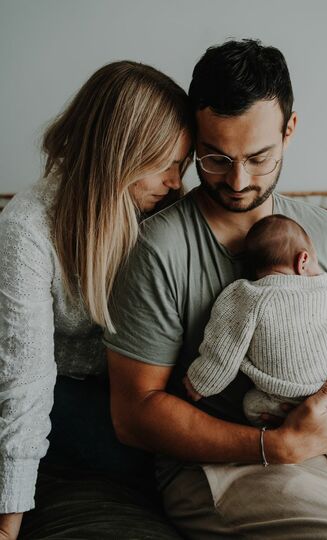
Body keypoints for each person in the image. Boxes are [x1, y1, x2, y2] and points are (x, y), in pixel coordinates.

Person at [105, 39, 327, 539]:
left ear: (289, 131)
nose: (238, 181)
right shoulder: (158, 249)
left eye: (258, 157)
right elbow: (133, 415)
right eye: (215, 157)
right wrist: (276, 446)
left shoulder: (324, 233)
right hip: (231, 469)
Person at [0, 61, 192, 539]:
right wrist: (8, 524)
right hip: (62, 392)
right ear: (121, 154)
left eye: (182, 165)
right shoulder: (27, 229)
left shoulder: (164, 216)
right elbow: (25, 383)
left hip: (135, 393)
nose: (175, 181)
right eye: (165, 163)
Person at [184, 214, 327, 426]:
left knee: (251, 404)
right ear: (302, 260)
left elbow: (223, 351)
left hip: (288, 396)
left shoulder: (248, 296)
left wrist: (200, 383)